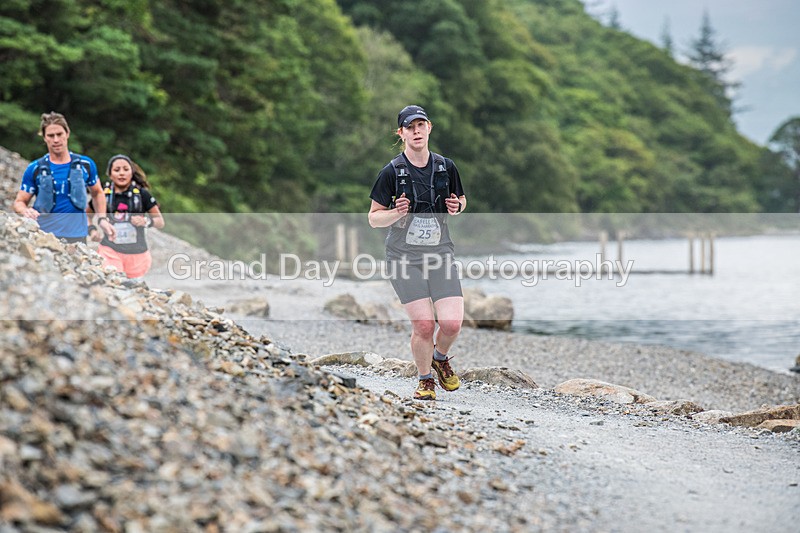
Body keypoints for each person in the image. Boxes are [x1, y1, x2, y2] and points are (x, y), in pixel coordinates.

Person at [368, 105, 467, 400]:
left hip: (440, 253)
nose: (416, 131)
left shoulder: (445, 166)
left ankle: (440, 358)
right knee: (424, 324)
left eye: (421, 125)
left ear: (429, 129)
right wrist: (395, 214)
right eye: (410, 127)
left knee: (451, 323)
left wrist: (456, 207)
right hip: (403, 256)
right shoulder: (391, 171)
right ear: (401, 133)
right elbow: (373, 218)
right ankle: (425, 380)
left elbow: (461, 200)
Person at [13, 112, 115, 243]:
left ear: (67, 134)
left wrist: (102, 219)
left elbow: (98, 193)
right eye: (50, 135)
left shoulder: (86, 164)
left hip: (77, 237)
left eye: (59, 134)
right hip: (43, 236)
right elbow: (19, 202)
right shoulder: (35, 168)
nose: (56, 140)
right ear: (44, 138)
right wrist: (25, 211)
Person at [87, 154, 164, 278]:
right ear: (110, 174)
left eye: (125, 169)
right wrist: (91, 230)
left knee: (132, 290)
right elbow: (86, 215)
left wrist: (146, 221)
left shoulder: (141, 194)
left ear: (132, 172)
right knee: (114, 281)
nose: (121, 173)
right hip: (110, 250)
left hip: (137, 254)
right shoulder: (103, 195)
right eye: (117, 170)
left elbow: (160, 221)